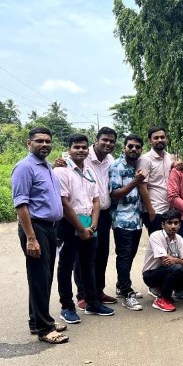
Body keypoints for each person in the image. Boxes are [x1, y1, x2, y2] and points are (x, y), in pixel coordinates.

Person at [11, 127, 67, 344]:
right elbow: (21, 204)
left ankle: (38, 321)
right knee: (39, 278)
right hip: (36, 228)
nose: (44, 145)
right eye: (39, 141)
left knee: (44, 277)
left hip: (50, 228)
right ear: (29, 143)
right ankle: (45, 329)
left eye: (48, 141)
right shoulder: (24, 167)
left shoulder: (46, 167)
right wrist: (31, 238)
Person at [55, 135, 114, 320]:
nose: (80, 150)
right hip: (68, 224)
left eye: (83, 147)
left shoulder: (89, 171)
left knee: (88, 264)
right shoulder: (61, 171)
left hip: (90, 223)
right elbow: (64, 202)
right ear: (69, 150)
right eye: (76, 147)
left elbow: (96, 200)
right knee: (66, 265)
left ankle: (92, 302)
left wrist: (93, 225)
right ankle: (67, 307)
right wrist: (80, 228)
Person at [108, 134, 147, 311]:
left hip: (136, 220)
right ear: (124, 147)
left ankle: (121, 285)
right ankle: (126, 293)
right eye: (130, 146)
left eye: (137, 147)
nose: (134, 149)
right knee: (124, 256)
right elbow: (115, 194)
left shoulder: (138, 166)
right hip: (122, 220)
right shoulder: (116, 167)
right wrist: (136, 181)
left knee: (130, 255)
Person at [84, 127, 117, 306]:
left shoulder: (110, 159)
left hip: (104, 214)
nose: (108, 143)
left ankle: (98, 291)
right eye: (105, 140)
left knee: (102, 254)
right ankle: (83, 295)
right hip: (85, 214)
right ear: (96, 140)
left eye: (111, 141)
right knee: (85, 255)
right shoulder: (83, 156)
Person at [142, 210, 183, 312]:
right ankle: (162, 299)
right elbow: (165, 261)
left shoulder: (179, 238)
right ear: (162, 225)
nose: (173, 226)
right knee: (177, 268)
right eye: (169, 223)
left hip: (167, 271)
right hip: (150, 275)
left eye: (176, 223)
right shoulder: (156, 236)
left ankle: (164, 290)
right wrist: (178, 261)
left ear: (179, 225)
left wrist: (175, 260)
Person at [138, 126, 174, 235]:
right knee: (157, 242)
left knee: (169, 241)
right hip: (155, 210)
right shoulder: (145, 159)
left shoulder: (168, 157)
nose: (160, 140)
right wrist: (151, 211)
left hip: (168, 209)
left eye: (162, 137)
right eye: (156, 138)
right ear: (150, 141)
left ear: (166, 139)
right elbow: (142, 186)